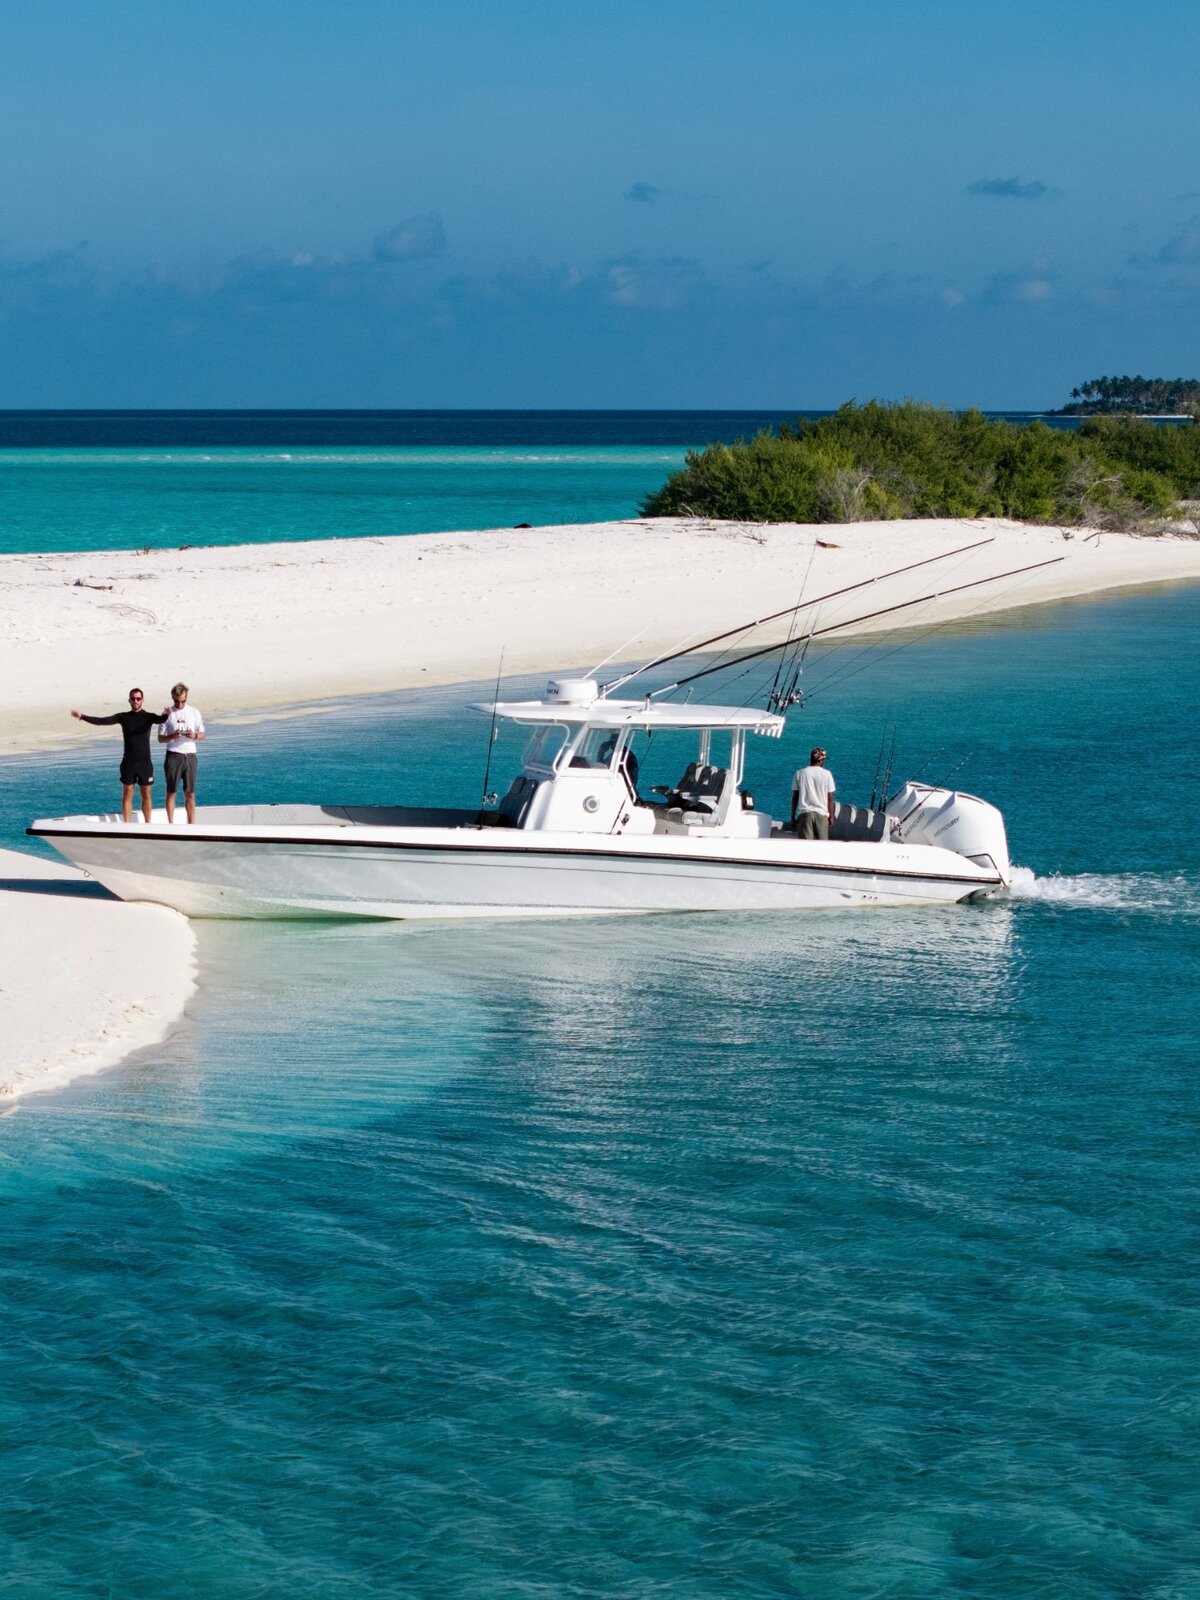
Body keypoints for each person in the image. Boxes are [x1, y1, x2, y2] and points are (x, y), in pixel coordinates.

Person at [70, 688, 168, 823]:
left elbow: (161, 719)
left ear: (142, 700)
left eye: (138, 698)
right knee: (127, 794)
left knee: (146, 794)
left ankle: (147, 824)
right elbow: (102, 721)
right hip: (128, 762)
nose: (135, 701)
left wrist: (168, 713)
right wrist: (82, 717)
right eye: (133, 698)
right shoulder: (123, 717)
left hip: (145, 763)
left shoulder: (148, 717)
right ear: (129, 700)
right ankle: (126, 825)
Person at [158, 681, 205, 823]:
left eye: (183, 701)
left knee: (190, 792)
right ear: (172, 698)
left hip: (190, 756)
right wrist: (173, 736)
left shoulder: (194, 712)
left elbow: (202, 734)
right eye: (176, 701)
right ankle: (171, 824)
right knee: (171, 792)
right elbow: (160, 739)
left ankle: (191, 825)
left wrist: (194, 735)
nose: (179, 704)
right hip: (173, 755)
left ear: (186, 698)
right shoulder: (167, 714)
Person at [791, 746, 836, 839]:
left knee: (806, 848)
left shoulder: (799, 773)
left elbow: (795, 797)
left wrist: (792, 817)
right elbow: (830, 798)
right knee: (822, 847)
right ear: (821, 760)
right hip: (822, 814)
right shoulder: (827, 774)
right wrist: (831, 816)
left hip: (804, 814)